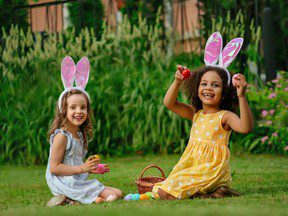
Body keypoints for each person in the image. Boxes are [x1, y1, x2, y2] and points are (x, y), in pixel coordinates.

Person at [152, 32, 253, 200]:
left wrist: (242, 96)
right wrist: (177, 82)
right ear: (196, 89)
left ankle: (210, 191)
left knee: (165, 192)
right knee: (161, 189)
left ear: (225, 92)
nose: (208, 88)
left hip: (211, 171)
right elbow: (169, 103)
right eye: (204, 84)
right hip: (192, 167)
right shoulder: (196, 114)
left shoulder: (225, 116)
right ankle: (212, 192)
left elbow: (246, 127)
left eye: (215, 85)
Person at [46, 56, 122, 206]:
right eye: (73, 107)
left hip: (73, 180)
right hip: (64, 183)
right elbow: (55, 169)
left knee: (116, 193)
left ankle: (72, 199)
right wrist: (82, 168)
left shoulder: (79, 135)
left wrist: (90, 169)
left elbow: (74, 163)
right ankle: (69, 197)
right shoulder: (61, 137)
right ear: (64, 110)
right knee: (115, 194)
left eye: (83, 107)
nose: (79, 111)